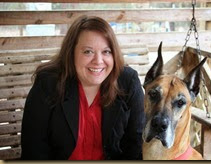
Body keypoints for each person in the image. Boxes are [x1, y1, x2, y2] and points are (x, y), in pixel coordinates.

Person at [21, 16, 145, 160]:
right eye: (88, 51)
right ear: (71, 52)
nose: (98, 61)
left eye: (106, 51)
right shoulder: (48, 83)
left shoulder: (128, 82)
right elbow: (34, 149)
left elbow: (135, 143)